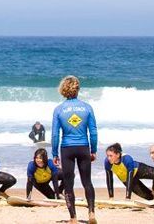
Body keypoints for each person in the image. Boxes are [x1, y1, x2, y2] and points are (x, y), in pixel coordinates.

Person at [51, 75, 97, 224]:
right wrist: (93, 149)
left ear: (63, 89)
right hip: (83, 147)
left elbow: (54, 134)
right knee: (87, 182)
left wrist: (54, 153)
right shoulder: (87, 107)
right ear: (77, 89)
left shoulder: (59, 109)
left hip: (67, 149)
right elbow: (93, 131)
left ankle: (73, 218)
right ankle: (91, 213)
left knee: (68, 184)